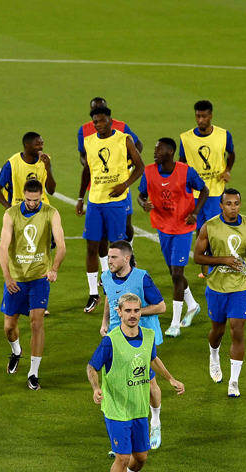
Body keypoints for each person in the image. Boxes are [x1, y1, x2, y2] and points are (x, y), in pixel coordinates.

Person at [87, 294, 184, 472]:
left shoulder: (148, 336)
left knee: (140, 458)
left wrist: (170, 379)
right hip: (117, 410)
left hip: (140, 409)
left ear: (141, 312)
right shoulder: (110, 341)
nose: (132, 315)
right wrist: (95, 388)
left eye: (136, 310)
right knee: (122, 457)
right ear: (119, 312)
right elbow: (92, 367)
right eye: (128, 311)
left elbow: (153, 359)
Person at [76, 101, 145, 313]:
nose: (99, 125)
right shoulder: (89, 141)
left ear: (110, 121)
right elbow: (87, 170)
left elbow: (140, 166)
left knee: (119, 247)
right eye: (96, 122)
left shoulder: (124, 139)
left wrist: (124, 184)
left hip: (116, 202)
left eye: (103, 121)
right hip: (95, 202)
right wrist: (80, 197)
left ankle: (123, 291)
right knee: (92, 246)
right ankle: (93, 294)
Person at [138, 138, 209, 337]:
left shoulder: (186, 171)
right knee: (173, 272)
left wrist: (195, 212)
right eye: (155, 148)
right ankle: (193, 305)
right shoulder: (150, 171)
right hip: (163, 227)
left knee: (177, 273)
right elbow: (141, 194)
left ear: (170, 152)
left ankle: (175, 324)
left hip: (183, 227)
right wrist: (143, 203)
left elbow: (204, 189)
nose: (155, 151)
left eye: (159, 149)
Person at [99, 241, 167, 449]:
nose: (109, 261)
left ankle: (155, 421)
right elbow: (111, 300)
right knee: (119, 384)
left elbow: (162, 306)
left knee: (148, 383)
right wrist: (104, 322)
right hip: (116, 338)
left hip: (141, 339)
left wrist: (134, 312)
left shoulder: (142, 278)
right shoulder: (105, 277)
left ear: (126, 258)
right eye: (109, 257)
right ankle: (121, 440)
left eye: (113, 257)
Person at [0, 180, 66, 390]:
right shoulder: (10, 214)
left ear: (42, 196)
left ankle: (33, 373)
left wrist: (54, 268)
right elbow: (3, 247)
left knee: (37, 324)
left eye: (36, 200)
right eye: (28, 199)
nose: (31, 203)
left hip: (39, 277)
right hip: (17, 279)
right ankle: (16, 350)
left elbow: (62, 245)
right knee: (9, 327)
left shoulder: (51, 213)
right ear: (23, 196)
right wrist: (8, 277)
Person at [193, 189, 246, 397]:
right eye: (229, 204)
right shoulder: (210, 227)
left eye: (236, 203)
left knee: (237, 329)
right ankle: (214, 355)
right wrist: (223, 260)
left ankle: (233, 381)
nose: (233, 207)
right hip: (217, 287)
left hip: (240, 286)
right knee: (218, 331)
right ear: (221, 206)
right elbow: (197, 257)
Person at [179, 100, 235, 234]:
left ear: (211, 116)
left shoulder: (223, 135)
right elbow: (181, 163)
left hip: (216, 190)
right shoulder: (186, 138)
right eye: (198, 116)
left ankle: (214, 254)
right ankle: (201, 254)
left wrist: (227, 170)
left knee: (216, 229)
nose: (200, 120)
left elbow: (231, 154)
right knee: (199, 229)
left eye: (204, 116)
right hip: (195, 192)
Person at [0, 132, 56, 208]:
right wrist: (8, 207)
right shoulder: (12, 164)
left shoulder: (44, 162)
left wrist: (48, 169)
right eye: (37, 144)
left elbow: (51, 191)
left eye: (42, 144)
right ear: (27, 145)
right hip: (19, 210)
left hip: (41, 210)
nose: (41, 147)